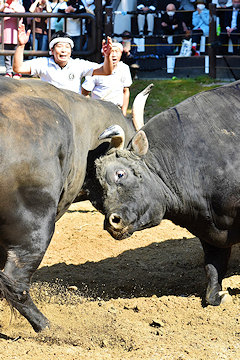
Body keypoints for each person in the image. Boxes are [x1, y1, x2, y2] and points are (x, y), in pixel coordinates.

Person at [12, 24, 113, 94]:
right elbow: (18, 68)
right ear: (52, 50)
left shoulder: (78, 65)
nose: (63, 50)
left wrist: (107, 56)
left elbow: (106, 71)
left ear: (71, 50)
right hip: (51, 108)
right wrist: (21, 45)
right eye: (59, 46)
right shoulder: (44, 63)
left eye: (67, 47)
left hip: (73, 109)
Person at [81, 39, 132, 117]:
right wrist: (94, 108)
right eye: (111, 51)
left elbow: (126, 91)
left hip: (117, 110)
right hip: (100, 112)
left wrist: (124, 111)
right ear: (104, 53)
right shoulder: (96, 70)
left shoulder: (124, 68)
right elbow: (84, 93)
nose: (114, 55)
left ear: (121, 53)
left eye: (116, 51)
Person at [0, 0, 25, 78]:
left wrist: (13, 7)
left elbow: (22, 13)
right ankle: (8, 71)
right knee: (7, 54)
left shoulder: (20, 6)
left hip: (16, 33)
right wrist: (4, 6)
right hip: (6, 33)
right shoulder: (4, 6)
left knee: (17, 53)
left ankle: (17, 71)